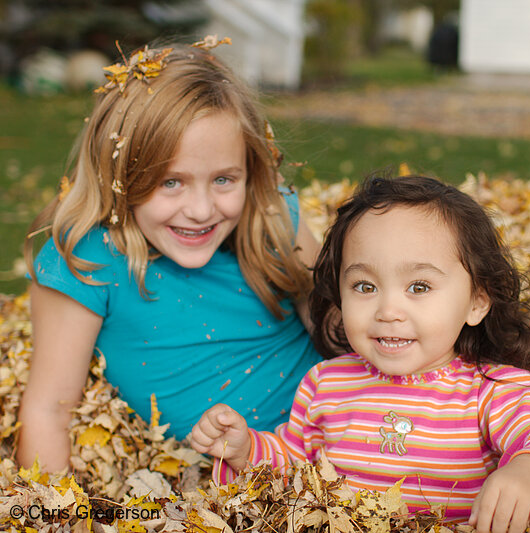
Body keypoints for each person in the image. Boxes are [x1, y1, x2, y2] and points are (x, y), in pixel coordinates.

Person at [191, 175, 530, 532]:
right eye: (364, 286)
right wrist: (244, 450)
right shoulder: (326, 383)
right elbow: (293, 461)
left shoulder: (491, 390)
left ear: (476, 302)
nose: (387, 311)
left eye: (419, 287)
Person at [17, 40, 322, 472]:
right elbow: (49, 409)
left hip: (345, 443)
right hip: (230, 488)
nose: (200, 211)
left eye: (223, 179)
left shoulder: (272, 215)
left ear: (250, 170)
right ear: (117, 176)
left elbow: (335, 330)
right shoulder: (88, 259)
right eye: (170, 182)